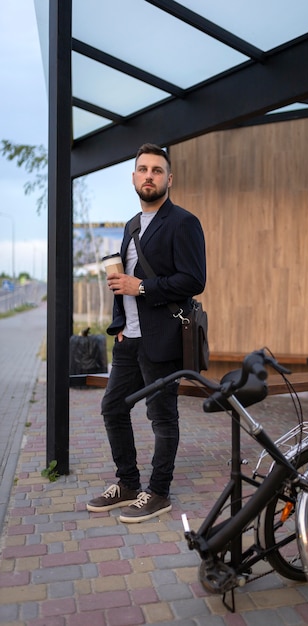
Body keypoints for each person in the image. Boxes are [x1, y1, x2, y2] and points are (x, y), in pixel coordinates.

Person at [87, 143, 206, 523]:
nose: (149, 175)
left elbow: (193, 280)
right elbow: (124, 281)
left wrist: (141, 288)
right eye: (143, 169)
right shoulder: (131, 226)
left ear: (169, 179)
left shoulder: (183, 222)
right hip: (130, 339)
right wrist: (120, 323)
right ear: (134, 178)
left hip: (164, 338)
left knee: (162, 416)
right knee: (113, 407)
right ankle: (127, 483)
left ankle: (158, 492)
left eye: (157, 170)